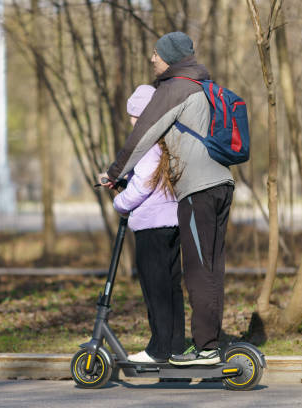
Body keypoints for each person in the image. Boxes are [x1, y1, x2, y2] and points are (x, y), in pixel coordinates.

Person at [102, 32, 234, 365]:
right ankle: (191, 345)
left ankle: (199, 347)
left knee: (189, 275)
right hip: (218, 184)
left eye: (157, 54)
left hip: (187, 198)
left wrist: (115, 177)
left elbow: (143, 148)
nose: (151, 58)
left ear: (170, 58)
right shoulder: (201, 85)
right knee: (205, 270)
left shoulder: (173, 90)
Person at [112, 84, 184, 364]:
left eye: (134, 116)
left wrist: (120, 203)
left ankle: (159, 350)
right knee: (170, 287)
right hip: (170, 223)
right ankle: (175, 346)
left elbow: (142, 186)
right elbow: (151, 180)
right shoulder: (165, 140)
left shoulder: (146, 144)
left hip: (151, 227)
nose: (131, 121)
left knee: (155, 290)